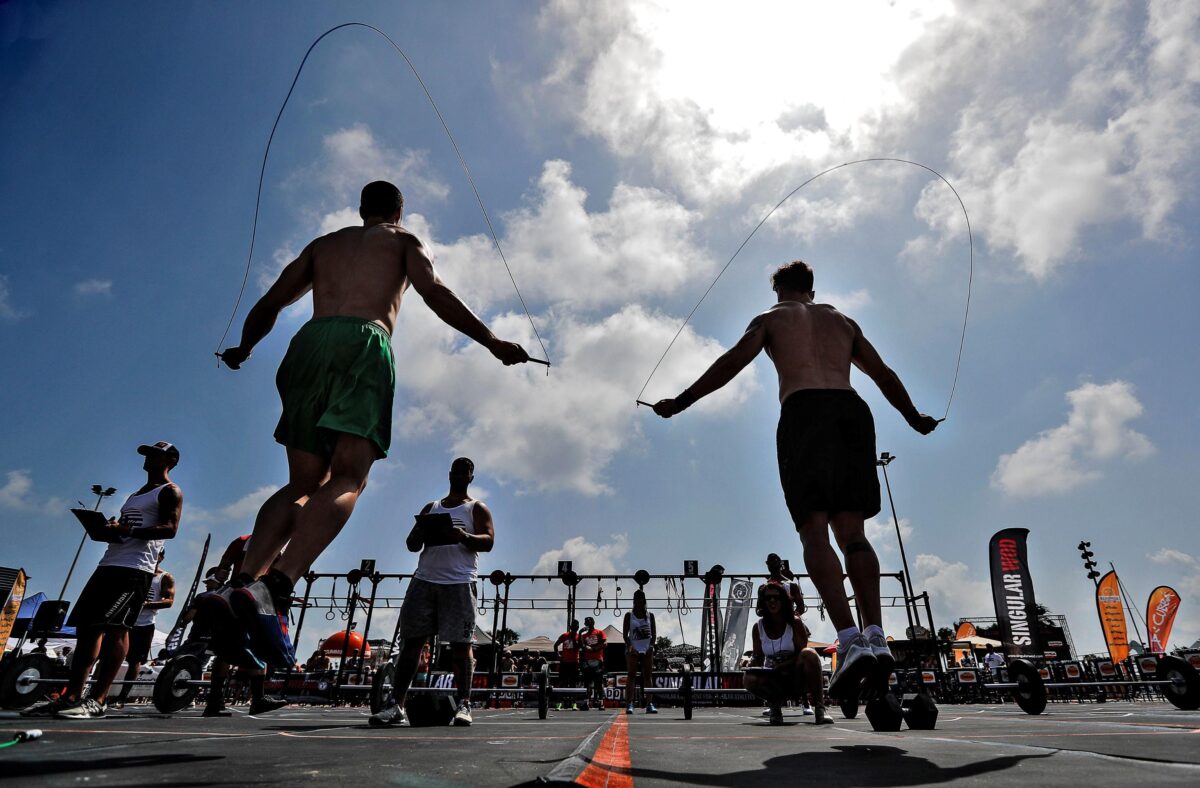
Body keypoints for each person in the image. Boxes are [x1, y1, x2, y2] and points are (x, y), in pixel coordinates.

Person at [216, 181, 530, 670]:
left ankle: (240, 582)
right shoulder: (404, 242)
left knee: (300, 483)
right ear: (399, 213)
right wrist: (490, 341)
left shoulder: (324, 245)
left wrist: (244, 347)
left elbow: (270, 303)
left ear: (361, 209)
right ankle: (275, 586)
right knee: (347, 477)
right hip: (363, 342)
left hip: (307, 345)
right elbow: (434, 291)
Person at [652, 260, 938, 699]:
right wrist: (914, 416)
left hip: (805, 413)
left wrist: (683, 401)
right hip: (852, 413)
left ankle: (849, 640)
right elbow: (883, 374)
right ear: (812, 289)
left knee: (814, 530)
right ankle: (876, 634)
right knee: (854, 534)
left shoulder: (772, 318)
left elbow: (732, 361)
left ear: (779, 290)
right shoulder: (843, 321)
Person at [24, 442, 183, 719]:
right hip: (109, 564)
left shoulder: (170, 491)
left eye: (154, 455)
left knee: (116, 630)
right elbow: (129, 526)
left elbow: (170, 528)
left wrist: (128, 528)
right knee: (87, 629)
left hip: (135, 570)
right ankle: (71, 696)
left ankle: (98, 700)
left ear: (169, 460)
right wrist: (110, 528)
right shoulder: (135, 495)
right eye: (147, 455)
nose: (147, 459)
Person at [370, 457, 495, 727]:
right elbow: (411, 543)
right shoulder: (432, 507)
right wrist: (419, 536)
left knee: (461, 646)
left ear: (471, 477)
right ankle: (396, 706)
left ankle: (464, 704)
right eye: (457, 470)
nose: (460, 475)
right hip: (424, 581)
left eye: (466, 471)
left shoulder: (476, 508)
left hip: (459, 582)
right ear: (450, 474)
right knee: (411, 643)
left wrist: (463, 536)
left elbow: (488, 541)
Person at [743, 584, 832, 725]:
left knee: (810, 654)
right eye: (768, 598)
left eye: (776, 597)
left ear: (784, 600)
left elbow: (802, 654)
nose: (772, 601)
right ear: (763, 602)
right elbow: (758, 657)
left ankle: (820, 709)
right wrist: (751, 663)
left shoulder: (795, 623)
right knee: (748, 678)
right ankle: (775, 707)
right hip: (774, 679)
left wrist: (785, 664)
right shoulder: (758, 627)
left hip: (795, 678)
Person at [110, 549, 175, 709]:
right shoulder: (135, 570)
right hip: (124, 621)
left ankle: (122, 697)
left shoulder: (164, 577)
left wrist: (145, 604)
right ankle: (100, 693)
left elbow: (169, 601)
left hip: (144, 624)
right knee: (110, 656)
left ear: (161, 557)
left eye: (157, 554)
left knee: (135, 662)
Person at [622, 590, 658, 714]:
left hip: (647, 649)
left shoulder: (650, 615)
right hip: (633, 649)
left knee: (648, 676)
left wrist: (651, 646)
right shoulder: (628, 615)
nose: (638, 600)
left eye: (640, 598)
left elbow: (654, 634)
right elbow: (625, 635)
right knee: (631, 675)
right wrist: (630, 647)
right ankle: (629, 704)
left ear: (644, 600)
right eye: (636, 598)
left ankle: (649, 704)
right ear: (633, 600)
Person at [578, 616, 608, 710]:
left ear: (592, 622)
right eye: (585, 621)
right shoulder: (584, 636)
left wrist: (594, 649)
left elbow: (605, 643)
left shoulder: (599, 632)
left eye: (588, 621)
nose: (586, 623)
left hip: (598, 660)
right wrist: (579, 633)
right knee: (587, 683)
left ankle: (601, 703)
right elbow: (580, 645)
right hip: (587, 661)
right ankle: (587, 702)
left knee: (598, 683)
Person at [554, 619, 581, 708]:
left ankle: (574, 704)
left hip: (574, 663)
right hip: (564, 663)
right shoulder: (564, 635)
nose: (575, 627)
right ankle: (559, 703)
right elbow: (555, 645)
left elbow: (578, 646)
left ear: (578, 627)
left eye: (576, 626)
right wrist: (557, 655)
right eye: (573, 626)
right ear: (570, 627)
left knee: (573, 684)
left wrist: (574, 636)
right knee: (562, 683)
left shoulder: (579, 637)